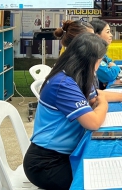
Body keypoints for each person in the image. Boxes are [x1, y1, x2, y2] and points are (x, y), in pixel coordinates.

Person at [23, 32, 109, 190]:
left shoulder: (75, 76)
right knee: (98, 181)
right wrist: (103, 104)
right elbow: (94, 122)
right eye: (100, 60)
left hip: (62, 155)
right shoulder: (64, 84)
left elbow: (95, 97)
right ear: (92, 60)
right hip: (47, 164)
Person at [56, 20, 122, 102]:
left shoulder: (81, 63)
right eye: (92, 37)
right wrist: (102, 102)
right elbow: (93, 103)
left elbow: (94, 94)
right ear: (79, 42)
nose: (95, 40)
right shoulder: (72, 74)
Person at [90, 19, 121, 89]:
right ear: (97, 36)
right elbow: (109, 75)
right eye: (108, 32)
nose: (111, 35)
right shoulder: (92, 53)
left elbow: (108, 61)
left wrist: (111, 65)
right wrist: (115, 67)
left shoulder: (100, 50)